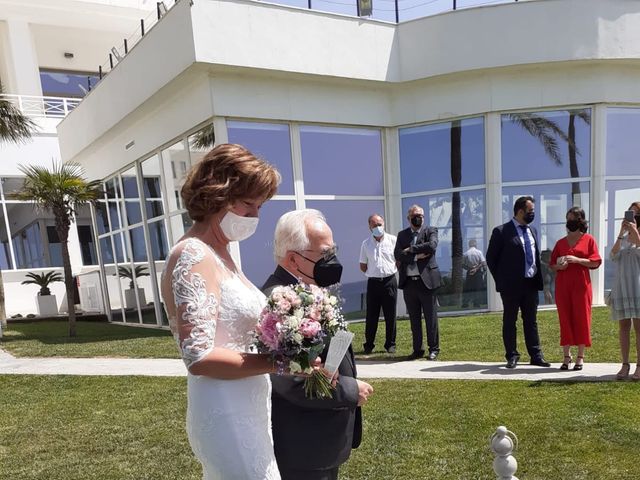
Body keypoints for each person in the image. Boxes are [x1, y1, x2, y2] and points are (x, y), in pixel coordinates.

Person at [160, 143, 284, 479]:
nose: (255, 217)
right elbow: (199, 356)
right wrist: (282, 363)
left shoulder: (223, 253)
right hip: (225, 408)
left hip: (249, 404)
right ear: (218, 195)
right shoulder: (194, 255)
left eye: (260, 207)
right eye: (248, 205)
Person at [262, 209, 373, 480]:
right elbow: (288, 379)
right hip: (304, 446)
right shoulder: (279, 302)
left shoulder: (307, 288)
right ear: (293, 259)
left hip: (320, 439)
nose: (332, 260)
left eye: (333, 250)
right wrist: (349, 389)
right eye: (324, 254)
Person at [486, 196, 551, 369]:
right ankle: (512, 355)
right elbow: (491, 259)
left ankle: (536, 355)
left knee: (531, 321)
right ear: (520, 211)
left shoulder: (533, 231)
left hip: (530, 283)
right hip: (511, 286)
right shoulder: (501, 231)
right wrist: (501, 280)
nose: (533, 214)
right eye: (530, 211)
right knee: (510, 320)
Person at [550, 207, 601, 371]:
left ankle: (580, 356)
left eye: (572, 219)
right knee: (565, 318)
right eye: (567, 219)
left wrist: (578, 259)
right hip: (563, 286)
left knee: (582, 318)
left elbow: (595, 262)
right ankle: (566, 356)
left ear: (580, 221)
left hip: (581, 286)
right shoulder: (560, 243)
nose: (569, 222)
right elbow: (552, 264)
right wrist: (559, 266)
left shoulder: (589, 240)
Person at [394, 204, 442, 361]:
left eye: (420, 215)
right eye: (415, 215)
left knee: (431, 317)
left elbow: (432, 246)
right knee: (414, 319)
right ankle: (417, 349)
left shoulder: (430, 231)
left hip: (427, 282)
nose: (418, 218)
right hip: (409, 283)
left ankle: (433, 349)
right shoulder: (402, 235)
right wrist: (415, 256)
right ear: (409, 218)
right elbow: (398, 254)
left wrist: (411, 249)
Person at [609, 201, 640, 380]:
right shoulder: (624, 235)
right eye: (631, 213)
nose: (633, 216)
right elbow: (613, 255)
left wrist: (635, 231)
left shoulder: (636, 234)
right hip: (622, 285)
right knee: (623, 327)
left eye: (636, 213)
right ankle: (625, 364)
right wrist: (621, 232)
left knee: (639, 327)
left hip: (637, 285)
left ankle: (639, 365)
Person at [359, 213, 398, 354]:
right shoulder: (366, 244)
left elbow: (398, 261)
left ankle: (390, 344)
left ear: (384, 224)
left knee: (390, 314)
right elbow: (362, 265)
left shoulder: (393, 240)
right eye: (374, 225)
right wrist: (373, 272)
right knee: (371, 315)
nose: (378, 227)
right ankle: (369, 344)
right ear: (369, 226)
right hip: (373, 283)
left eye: (380, 224)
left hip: (389, 281)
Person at [462, 239, 486, 308]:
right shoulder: (479, 252)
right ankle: (476, 303)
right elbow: (483, 262)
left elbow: (462, 264)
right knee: (477, 288)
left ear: (469, 245)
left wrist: (470, 269)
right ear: (475, 244)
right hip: (478, 273)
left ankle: (465, 303)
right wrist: (481, 269)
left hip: (469, 272)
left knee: (468, 288)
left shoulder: (466, 253)